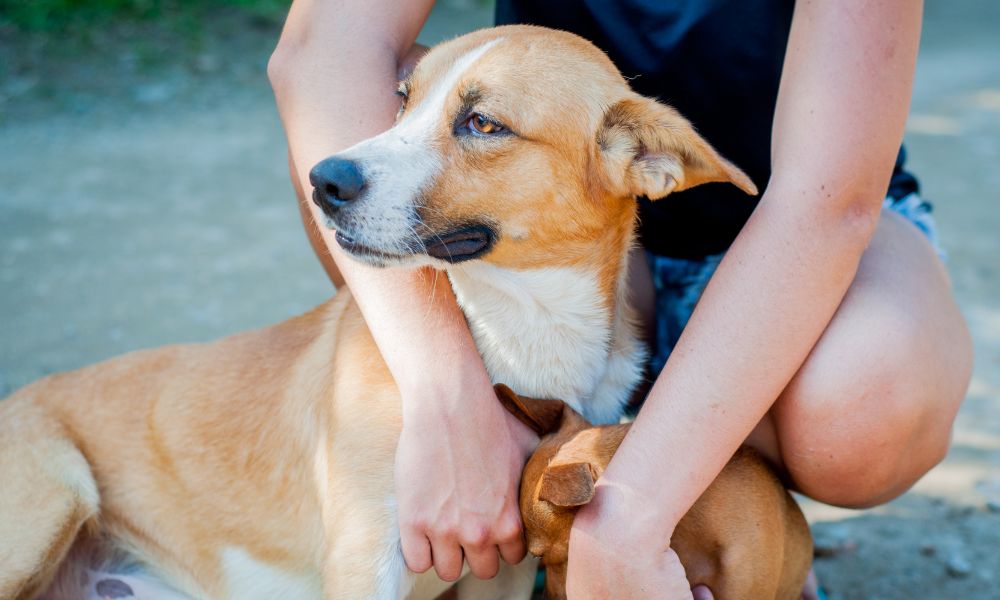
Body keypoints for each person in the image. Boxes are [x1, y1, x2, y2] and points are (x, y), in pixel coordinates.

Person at [268, 0, 973, 597]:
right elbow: (323, 50)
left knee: (858, 408)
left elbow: (826, 205)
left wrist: (632, 518)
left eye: (477, 124)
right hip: (578, 225)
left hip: (792, 225)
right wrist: (449, 399)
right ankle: (534, 462)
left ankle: (714, 523)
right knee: (346, 112)